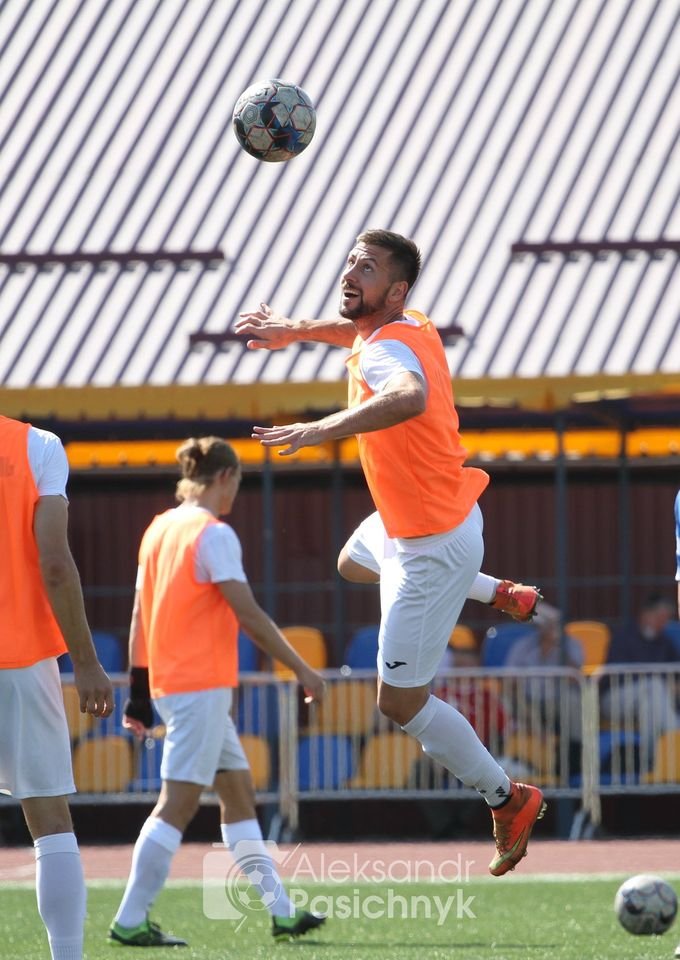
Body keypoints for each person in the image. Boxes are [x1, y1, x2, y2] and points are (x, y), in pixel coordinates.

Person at [235, 229, 545, 876]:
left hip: (430, 547)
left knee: (399, 704)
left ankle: (507, 797)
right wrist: (294, 330)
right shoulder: (409, 324)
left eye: (368, 268)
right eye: (351, 260)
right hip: (432, 520)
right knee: (351, 561)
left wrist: (318, 429)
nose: (352, 272)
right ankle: (497, 592)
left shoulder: (384, 351)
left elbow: (408, 395)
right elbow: (358, 336)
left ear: (396, 290)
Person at [109, 437, 327, 947]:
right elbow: (247, 613)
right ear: (226, 477)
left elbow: (140, 614)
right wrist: (301, 668)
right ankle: (130, 919)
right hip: (199, 688)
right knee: (177, 805)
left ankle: (282, 912)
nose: (236, 494)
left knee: (237, 794)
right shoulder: (213, 534)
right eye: (238, 483)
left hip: (175, 685)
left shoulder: (159, 528)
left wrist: (138, 690)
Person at [0, 415, 114, 960]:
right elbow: (55, 565)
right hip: (22, 656)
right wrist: (86, 662)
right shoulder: (37, 445)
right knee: (49, 821)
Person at [601, 594, 679, 755]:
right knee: (654, 686)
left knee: (650, 705)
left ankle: (651, 758)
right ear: (645, 614)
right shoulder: (623, 638)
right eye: (659, 617)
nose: (662, 623)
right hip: (616, 698)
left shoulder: (665, 643)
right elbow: (617, 676)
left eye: (665, 619)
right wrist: (665, 684)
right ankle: (676, 739)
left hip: (652, 698)